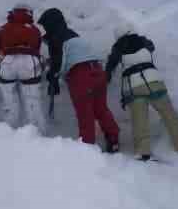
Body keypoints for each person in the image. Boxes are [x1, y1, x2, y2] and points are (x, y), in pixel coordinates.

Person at [105, 32, 178, 162]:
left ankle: (143, 153)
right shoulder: (143, 41)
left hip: (133, 87)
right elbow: (152, 46)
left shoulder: (117, 48)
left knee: (140, 121)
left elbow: (110, 67)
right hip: (154, 82)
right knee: (170, 115)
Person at [38, 8, 120, 152]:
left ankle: (87, 149)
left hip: (81, 75)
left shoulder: (55, 37)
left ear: (50, 24)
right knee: (101, 109)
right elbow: (68, 54)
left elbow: (58, 62)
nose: (44, 29)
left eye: (45, 25)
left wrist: (52, 78)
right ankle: (113, 140)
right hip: (97, 71)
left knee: (85, 113)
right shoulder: (73, 35)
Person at [0, 5, 48, 131]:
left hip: (6, 62)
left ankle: (9, 131)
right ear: (29, 14)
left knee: (9, 101)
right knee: (32, 100)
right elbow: (36, 50)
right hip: (29, 63)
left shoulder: (1, 29)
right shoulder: (34, 30)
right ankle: (37, 133)